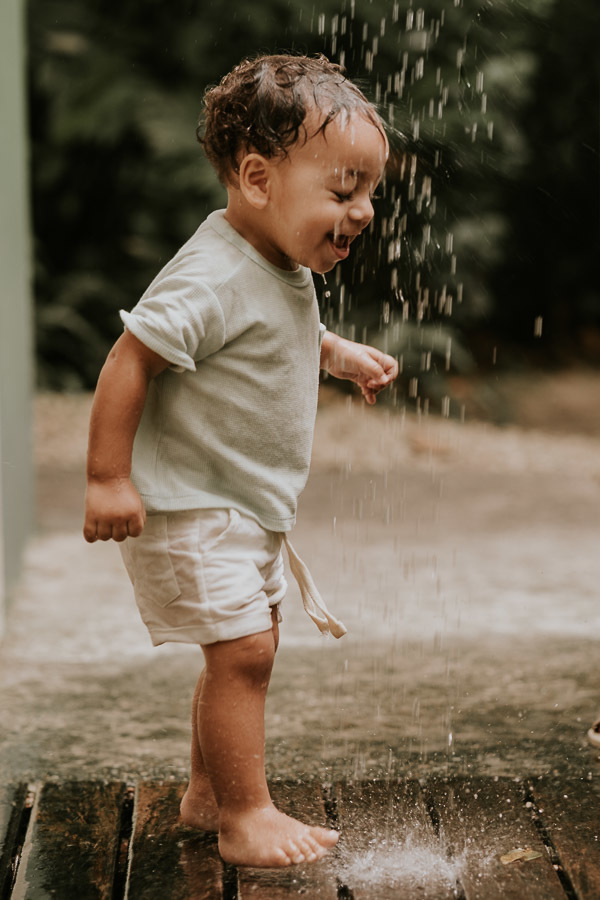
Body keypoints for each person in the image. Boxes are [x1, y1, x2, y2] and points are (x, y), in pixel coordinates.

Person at [83, 53, 397, 868]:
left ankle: (209, 795)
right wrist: (108, 478)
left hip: (238, 507)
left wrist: (334, 352)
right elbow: (131, 358)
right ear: (258, 178)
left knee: (243, 646)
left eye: (369, 192)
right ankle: (245, 816)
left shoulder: (276, 262)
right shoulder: (212, 272)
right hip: (189, 507)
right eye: (342, 191)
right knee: (244, 652)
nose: (361, 213)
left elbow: (274, 333)